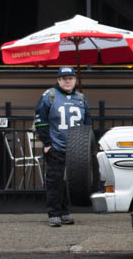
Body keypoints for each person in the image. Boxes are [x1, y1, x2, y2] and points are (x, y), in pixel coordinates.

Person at [34, 66, 91, 228]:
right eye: (64, 79)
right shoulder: (49, 96)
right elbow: (41, 121)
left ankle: (65, 212)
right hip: (56, 146)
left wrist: (87, 145)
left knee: (70, 182)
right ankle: (54, 213)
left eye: (71, 78)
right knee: (55, 181)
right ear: (58, 80)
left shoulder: (81, 98)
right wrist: (47, 144)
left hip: (76, 149)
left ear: (75, 80)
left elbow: (87, 123)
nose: (68, 81)